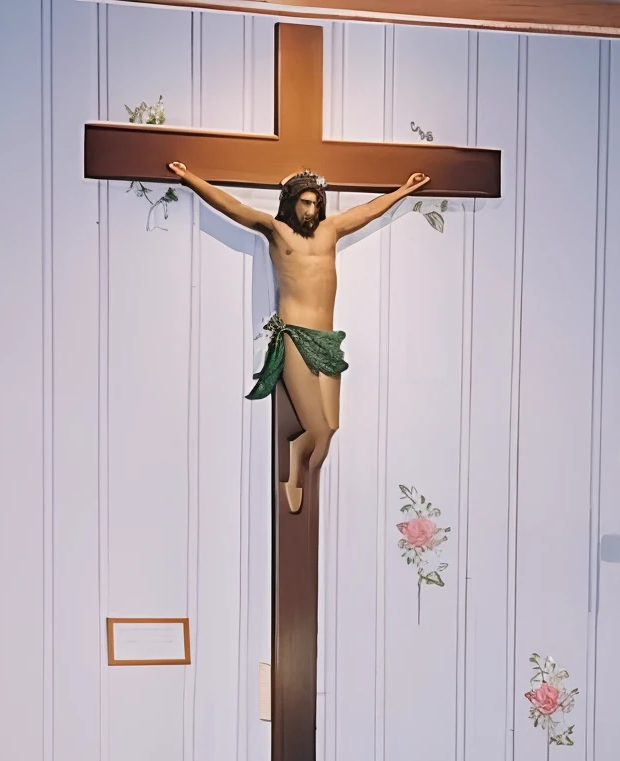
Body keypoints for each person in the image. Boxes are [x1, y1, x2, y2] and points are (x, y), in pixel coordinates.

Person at [168, 162, 430, 510]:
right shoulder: (275, 230)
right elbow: (232, 206)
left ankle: (302, 453)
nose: (311, 210)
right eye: (304, 203)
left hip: (326, 338)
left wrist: (404, 190)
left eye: (315, 203)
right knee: (318, 429)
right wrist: (189, 178)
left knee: (331, 427)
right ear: (291, 202)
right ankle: (295, 472)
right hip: (293, 335)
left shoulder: (331, 230)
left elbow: (368, 210)